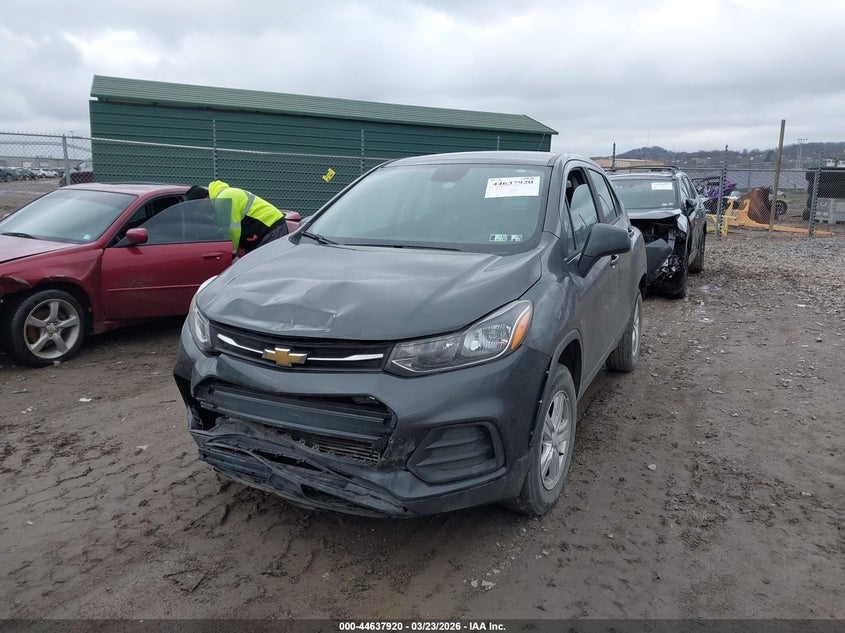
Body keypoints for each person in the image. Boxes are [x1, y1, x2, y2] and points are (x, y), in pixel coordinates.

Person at [185, 181, 288, 255]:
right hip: (265, 228)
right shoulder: (220, 199)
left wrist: (232, 253)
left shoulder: (223, 199)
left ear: (204, 199)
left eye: (197, 208)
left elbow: (232, 229)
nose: (200, 212)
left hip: (271, 227)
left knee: (263, 268)